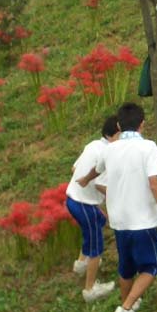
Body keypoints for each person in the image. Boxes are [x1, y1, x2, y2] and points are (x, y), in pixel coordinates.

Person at [77, 102, 157, 312]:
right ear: (143, 124)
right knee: (152, 266)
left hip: (119, 220)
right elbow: (154, 183)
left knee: (127, 267)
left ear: (119, 125)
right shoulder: (148, 147)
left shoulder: (110, 149)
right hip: (142, 220)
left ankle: (126, 305)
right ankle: (127, 307)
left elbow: (97, 169)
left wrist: (86, 178)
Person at [67, 115, 120, 302]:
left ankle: (81, 263)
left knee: (98, 221)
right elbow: (100, 185)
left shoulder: (93, 145)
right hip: (85, 205)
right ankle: (90, 290)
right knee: (96, 246)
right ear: (116, 134)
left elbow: (74, 169)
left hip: (72, 199)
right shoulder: (108, 154)